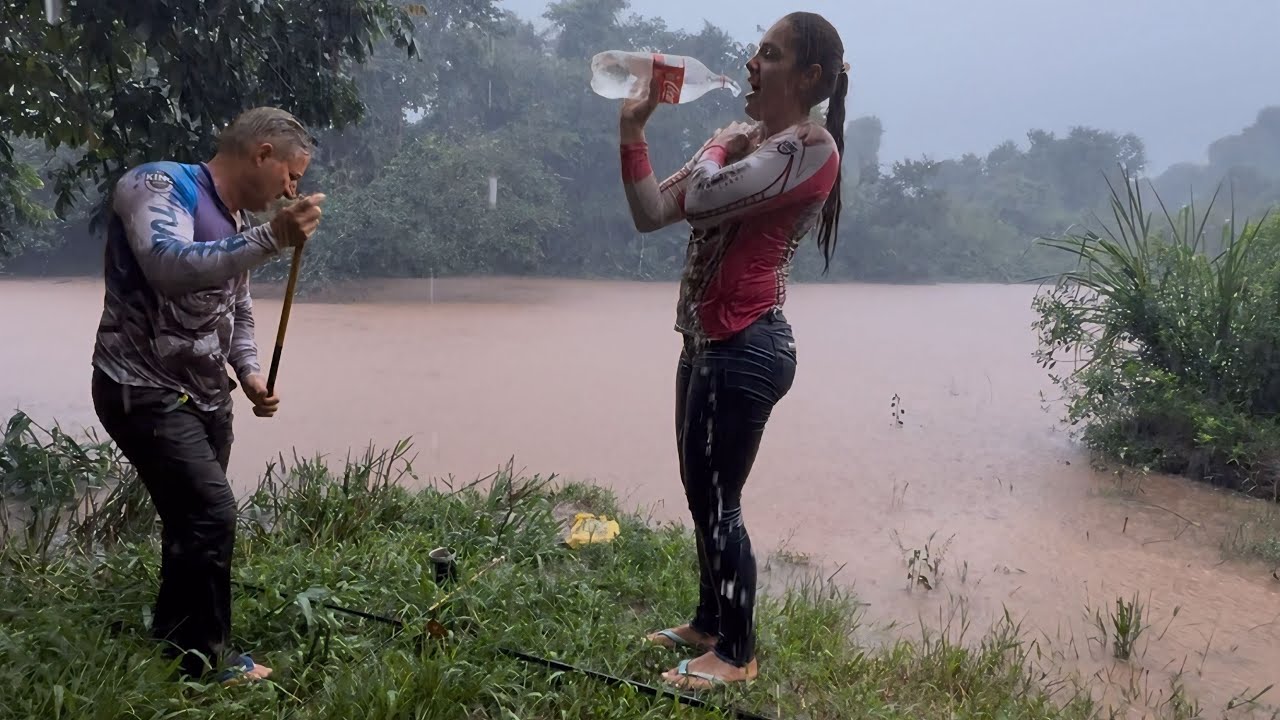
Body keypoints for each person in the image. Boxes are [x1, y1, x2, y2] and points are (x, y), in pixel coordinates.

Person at [616, 12, 848, 689]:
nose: (751, 64)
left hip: (748, 342)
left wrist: (720, 146)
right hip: (705, 338)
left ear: (807, 76)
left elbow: (706, 199)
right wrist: (633, 131)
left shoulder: (810, 146)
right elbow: (651, 212)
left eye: (769, 55)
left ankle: (737, 652)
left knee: (720, 501)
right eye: (755, 52)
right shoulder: (747, 139)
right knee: (699, 491)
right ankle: (709, 621)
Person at [90, 106, 326, 684]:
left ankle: (176, 638)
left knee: (189, 519)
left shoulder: (237, 217)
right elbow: (167, 265)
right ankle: (205, 661)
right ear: (262, 153)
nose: (292, 187)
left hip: (206, 395)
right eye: (290, 173)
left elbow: (235, 307)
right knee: (211, 512)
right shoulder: (159, 184)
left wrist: (249, 374)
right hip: (141, 386)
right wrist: (272, 237)